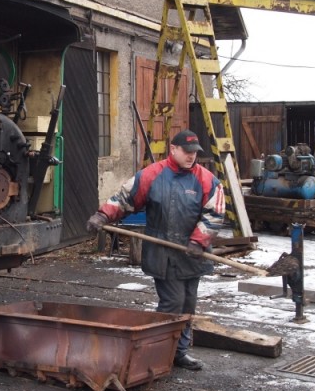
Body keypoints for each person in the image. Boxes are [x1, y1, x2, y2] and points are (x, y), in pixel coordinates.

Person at [86, 129, 225, 370]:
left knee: (188, 303)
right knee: (173, 302)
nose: (192, 156)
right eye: (187, 151)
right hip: (163, 253)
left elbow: (215, 213)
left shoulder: (206, 180)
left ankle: (179, 352)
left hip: (192, 253)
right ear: (173, 149)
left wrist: (198, 240)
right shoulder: (152, 175)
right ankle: (160, 352)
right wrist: (102, 216)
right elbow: (124, 198)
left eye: (195, 152)